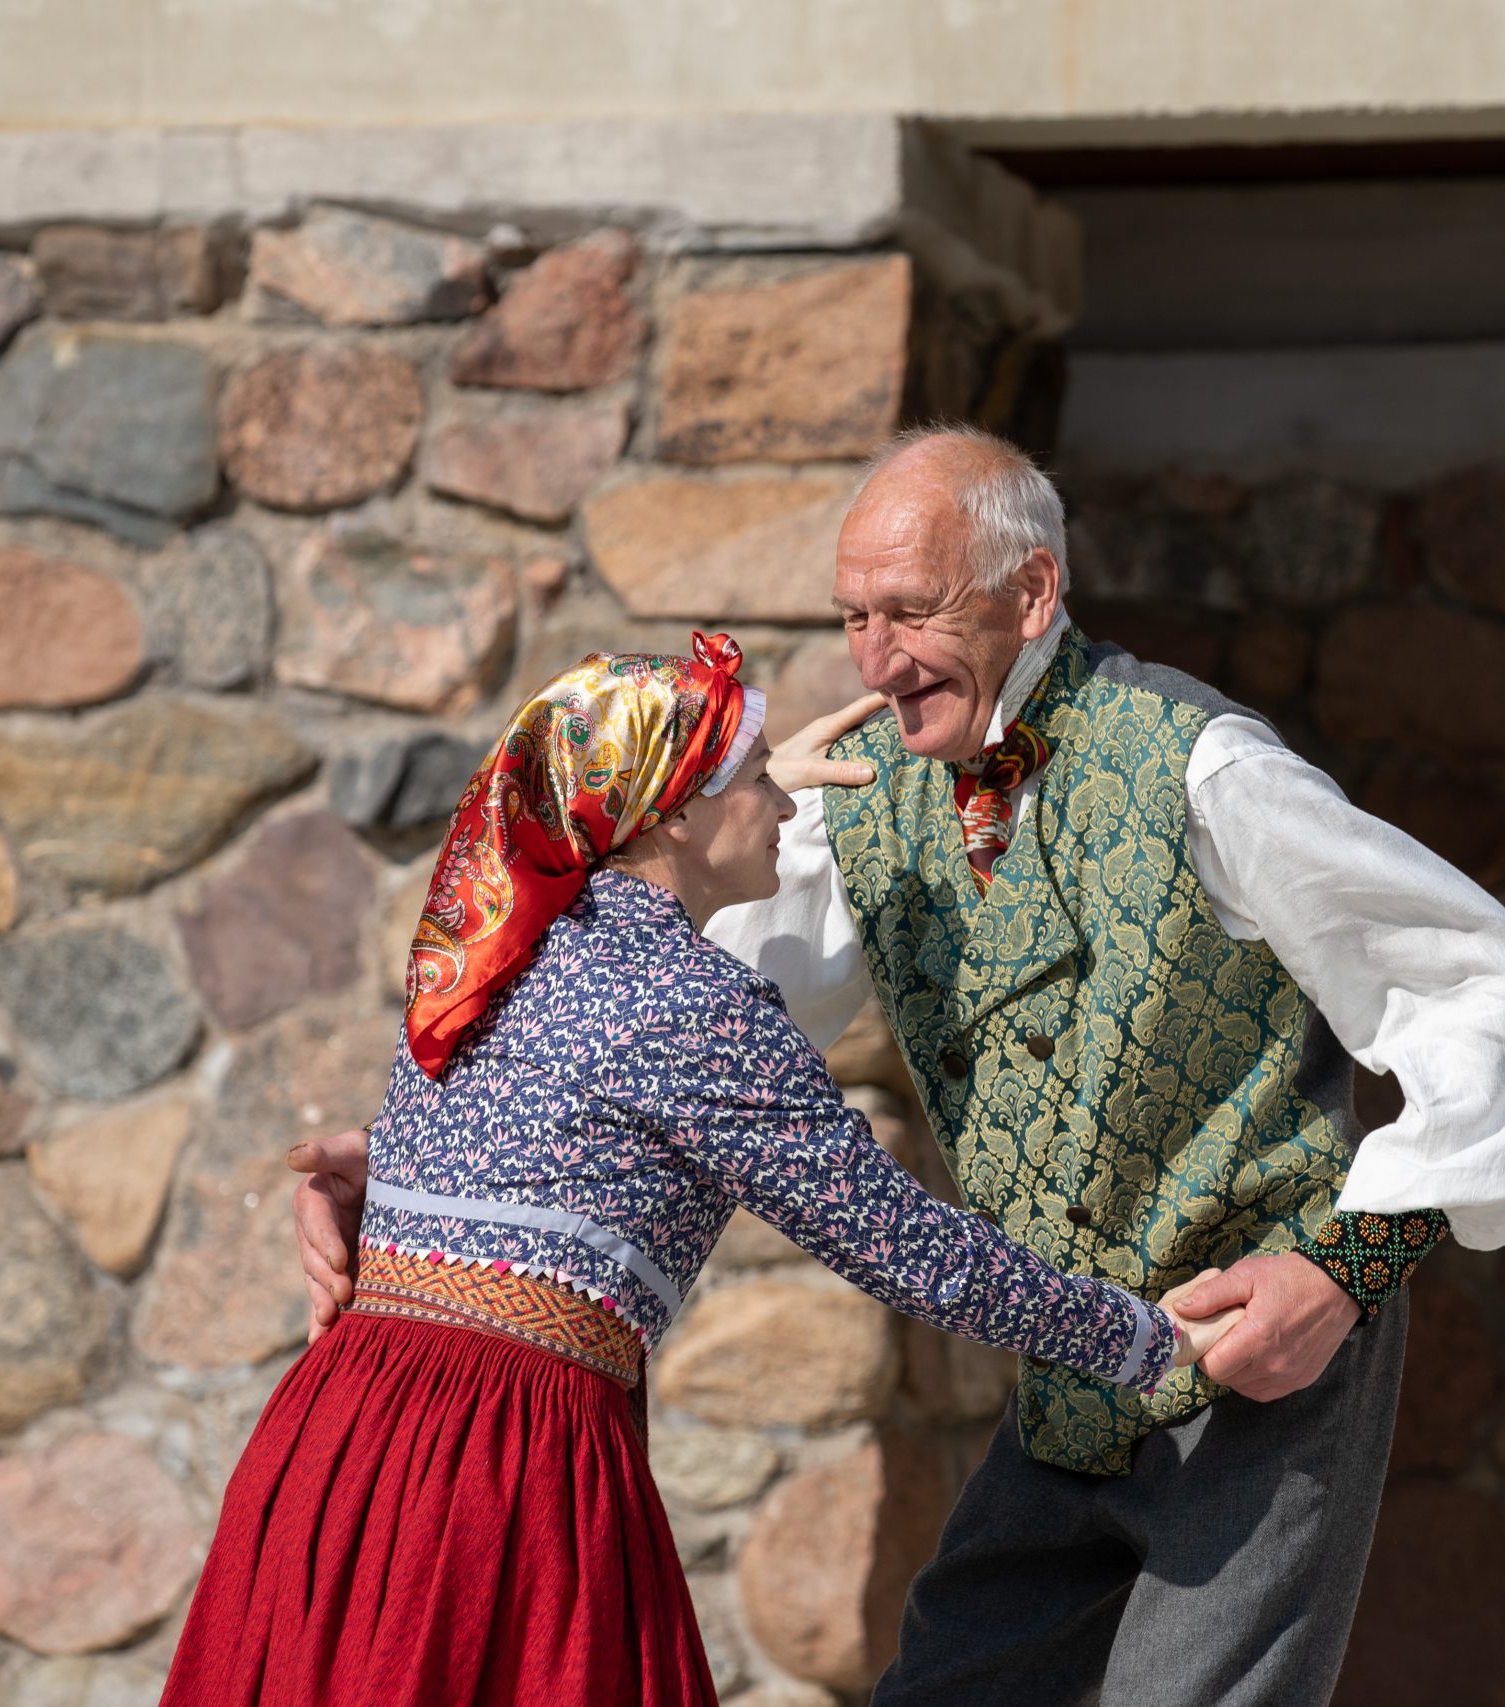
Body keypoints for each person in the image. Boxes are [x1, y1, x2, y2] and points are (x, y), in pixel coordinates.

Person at [292, 430, 1505, 1707]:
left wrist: (1342, 1273)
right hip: (1069, 1373)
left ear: (1032, 591)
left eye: (912, 610)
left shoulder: (1207, 767)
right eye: (853, 616)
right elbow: (662, 1044)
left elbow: (1486, 994)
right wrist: (431, 1161)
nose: (877, 656)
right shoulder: (856, 801)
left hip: (1260, 1349)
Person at [165, 633, 1235, 1707]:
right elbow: (911, 1250)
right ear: (673, 812)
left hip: (341, 1433)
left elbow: (523, 1147)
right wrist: (1147, 1339)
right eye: (758, 779)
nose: (784, 805)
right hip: (495, 1462)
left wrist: (753, 787)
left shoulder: (491, 950)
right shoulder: (696, 1008)